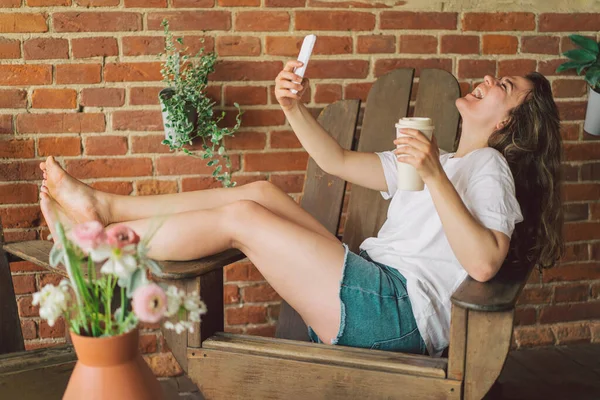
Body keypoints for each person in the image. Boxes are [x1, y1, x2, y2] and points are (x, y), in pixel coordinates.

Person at [39, 60, 564, 357]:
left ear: (507, 123)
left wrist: (432, 175)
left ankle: (101, 246)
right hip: (373, 284)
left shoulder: (490, 169)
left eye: (507, 87)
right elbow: (334, 159)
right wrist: (294, 106)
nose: (491, 80)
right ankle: (103, 206)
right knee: (262, 193)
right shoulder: (442, 158)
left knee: (243, 220)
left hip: (396, 312)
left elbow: (484, 262)